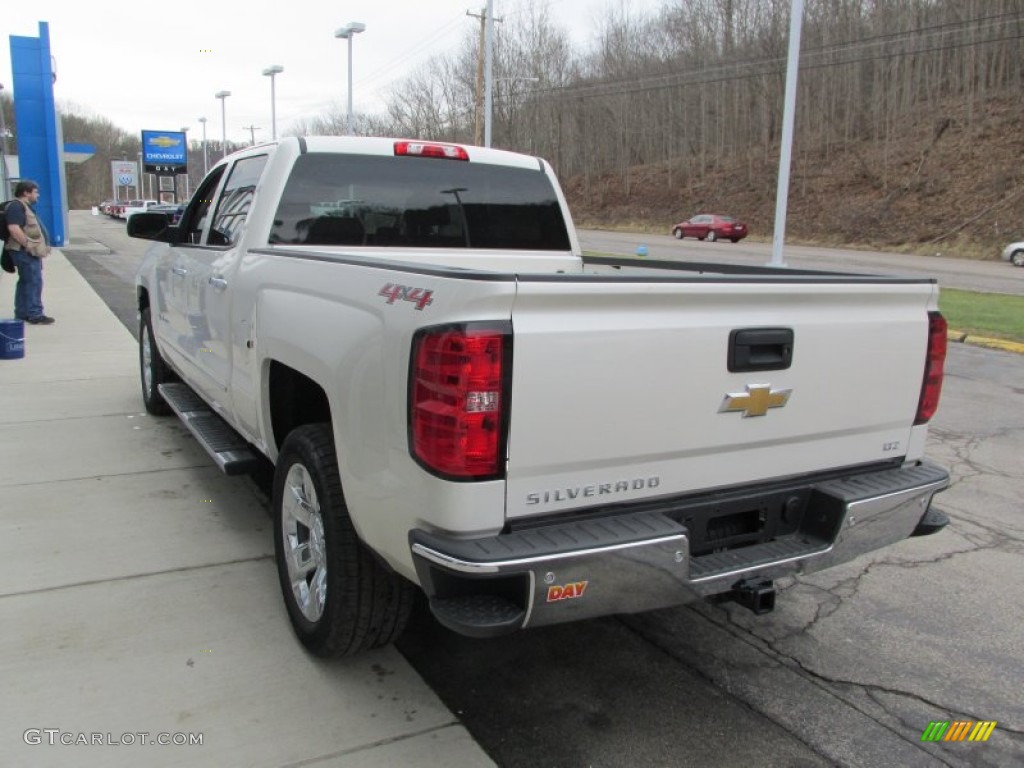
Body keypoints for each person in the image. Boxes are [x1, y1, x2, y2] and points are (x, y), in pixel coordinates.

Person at [5, 179, 54, 324]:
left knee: (26, 282)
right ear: (26, 192)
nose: (37, 195)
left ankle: (22, 313)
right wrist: (28, 245)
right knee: (34, 282)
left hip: (26, 252)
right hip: (24, 252)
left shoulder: (23, 206)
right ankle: (35, 314)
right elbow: (14, 228)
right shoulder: (16, 207)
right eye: (35, 192)